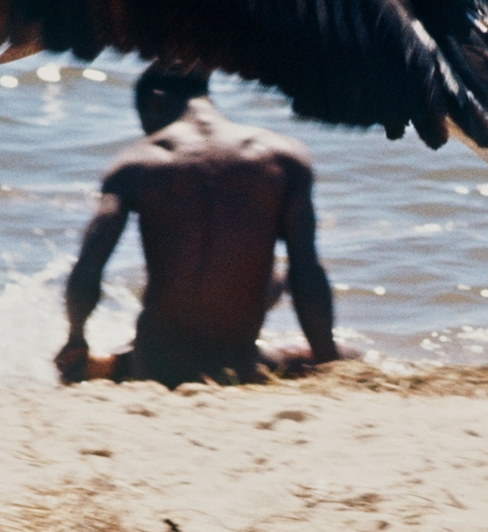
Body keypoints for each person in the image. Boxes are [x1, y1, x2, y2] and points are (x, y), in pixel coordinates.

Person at [55, 67, 343, 387]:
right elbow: (306, 272)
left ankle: (110, 365)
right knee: (347, 352)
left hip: (155, 365)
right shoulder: (284, 156)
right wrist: (328, 362)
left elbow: (89, 266)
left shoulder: (136, 163)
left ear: (154, 102)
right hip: (241, 365)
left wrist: (76, 338)